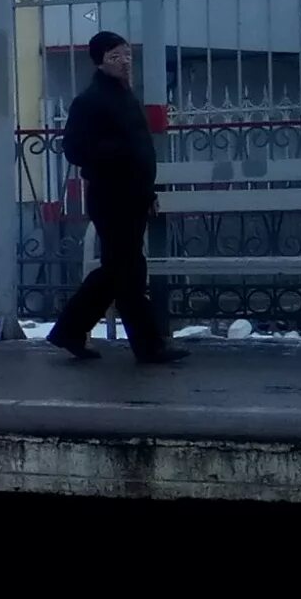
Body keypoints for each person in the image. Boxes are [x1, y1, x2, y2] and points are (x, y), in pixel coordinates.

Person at [51, 29, 184, 366]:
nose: (125, 62)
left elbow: (141, 148)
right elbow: (74, 149)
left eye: (127, 54)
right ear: (100, 62)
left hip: (132, 195)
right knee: (129, 271)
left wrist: (147, 190)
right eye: (115, 56)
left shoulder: (125, 95)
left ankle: (70, 329)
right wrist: (117, 155)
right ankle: (148, 346)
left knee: (117, 270)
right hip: (111, 196)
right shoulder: (91, 100)